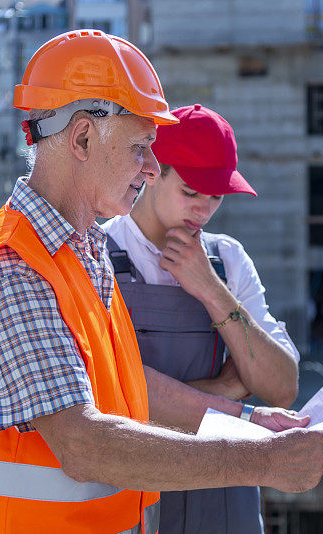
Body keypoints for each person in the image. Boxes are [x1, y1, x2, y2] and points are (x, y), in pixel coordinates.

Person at [0, 30, 323, 534]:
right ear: (83, 138)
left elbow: (132, 396)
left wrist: (248, 423)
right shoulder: (9, 269)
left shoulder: (82, 254)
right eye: (141, 147)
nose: (151, 168)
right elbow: (85, 444)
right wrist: (258, 462)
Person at [101, 103, 300, 534]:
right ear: (153, 170)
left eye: (216, 196)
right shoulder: (94, 255)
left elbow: (282, 387)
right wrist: (225, 390)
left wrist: (210, 288)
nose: (204, 211)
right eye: (192, 192)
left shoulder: (227, 260)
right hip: (132, 490)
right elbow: (105, 398)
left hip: (225, 494)